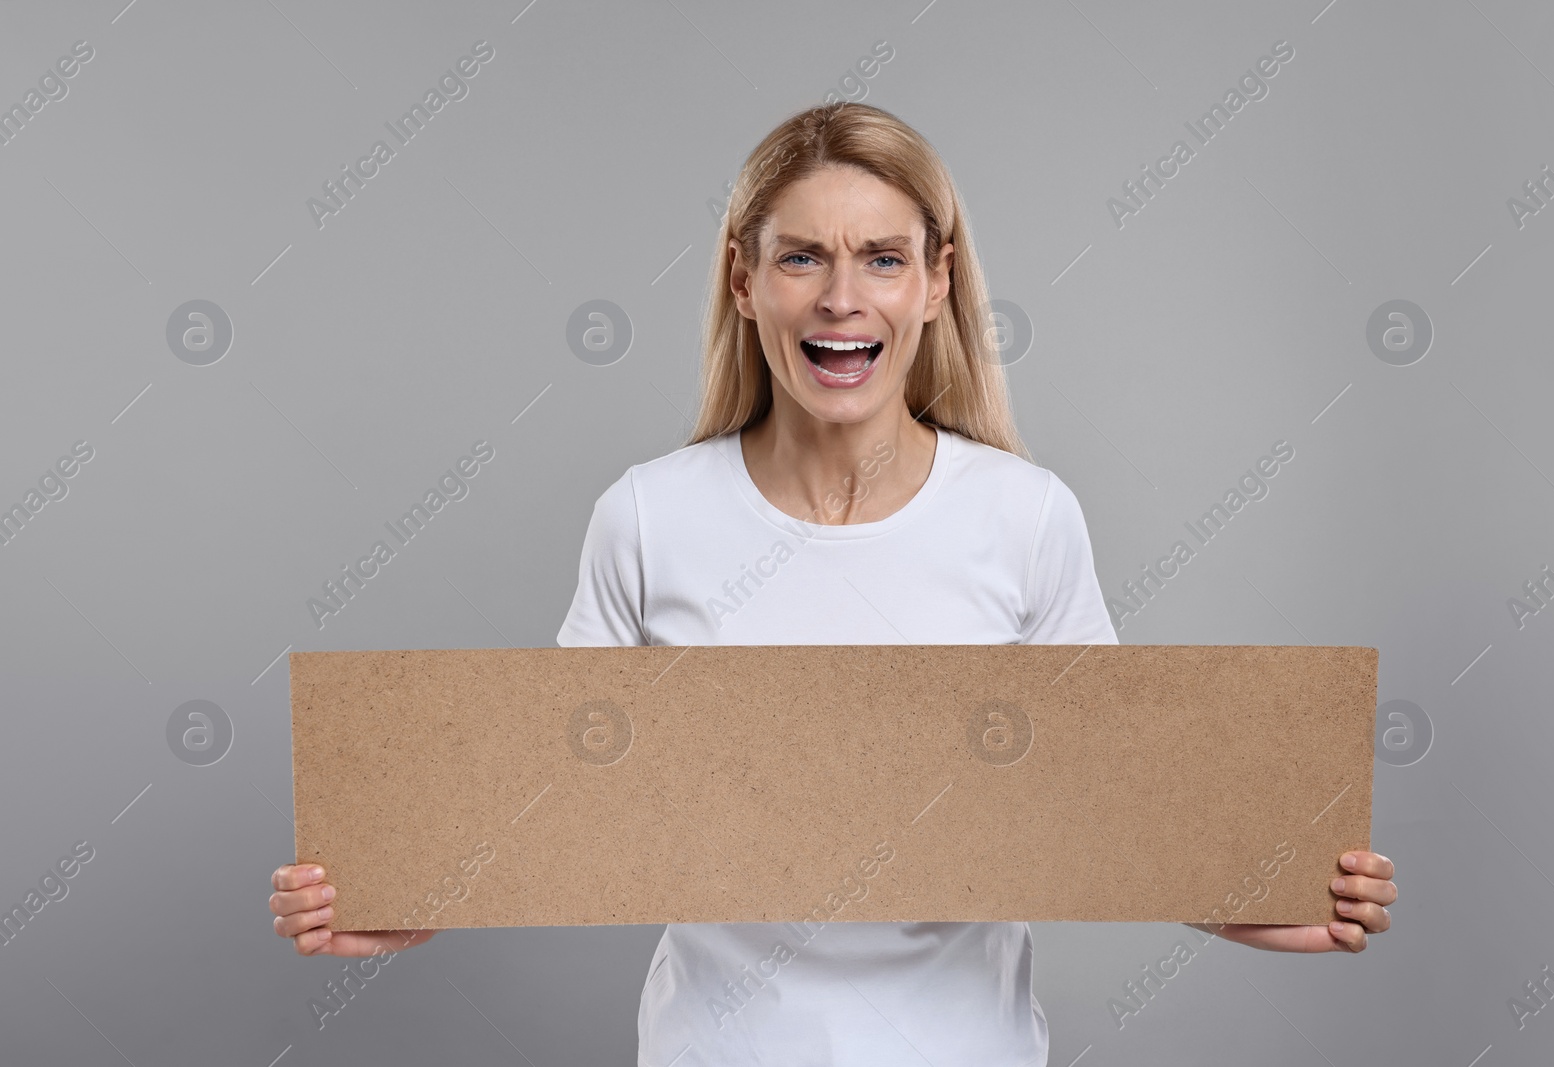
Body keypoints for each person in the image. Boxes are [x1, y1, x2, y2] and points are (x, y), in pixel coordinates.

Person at [269, 100, 1397, 1064]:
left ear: (936, 283)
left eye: (882, 257)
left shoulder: (1025, 516)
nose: (839, 297)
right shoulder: (649, 517)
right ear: (744, 280)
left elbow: (1105, 811)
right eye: (801, 255)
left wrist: (1278, 901)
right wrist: (406, 895)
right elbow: (553, 800)